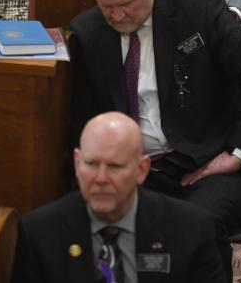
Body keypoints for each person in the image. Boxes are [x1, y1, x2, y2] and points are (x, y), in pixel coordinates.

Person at [69, 0, 241, 277]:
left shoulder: (198, 7)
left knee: (195, 227)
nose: (117, 16)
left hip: (209, 159)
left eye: (126, 4)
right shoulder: (88, 32)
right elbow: (81, 120)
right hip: (135, 170)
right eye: (106, 7)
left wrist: (239, 152)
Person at [12, 112, 226, 283]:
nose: (101, 178)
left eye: (115, 166)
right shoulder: (39, 234)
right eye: (92, 164)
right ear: (77, 164)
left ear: (141, 170)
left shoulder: (190, 230)